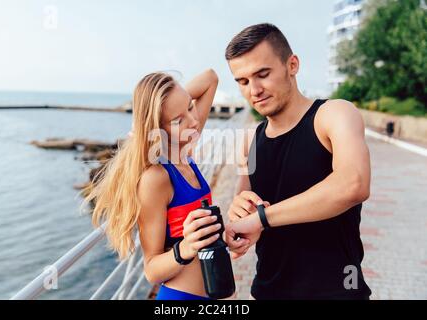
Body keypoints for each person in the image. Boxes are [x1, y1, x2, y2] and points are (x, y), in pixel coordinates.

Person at [224, 23, 372, 300]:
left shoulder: (333, 114)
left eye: (263, 74)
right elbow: (244, 208)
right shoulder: (249, 141)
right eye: (242, 81)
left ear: (292, 65)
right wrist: (239, 215)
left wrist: (263, 219)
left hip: (336, 291)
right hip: (268, 290)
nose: (253, 90)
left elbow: (354, 184)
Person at [83, 69, 241, 300]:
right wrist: (186, 247)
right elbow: (151, 270)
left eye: (190, 107)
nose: (194, 121)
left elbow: (210, 78)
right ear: (158, 130)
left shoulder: (185, 149)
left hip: (217, 290)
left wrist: (173, 105)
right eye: (178, 121)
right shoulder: (155, 178)